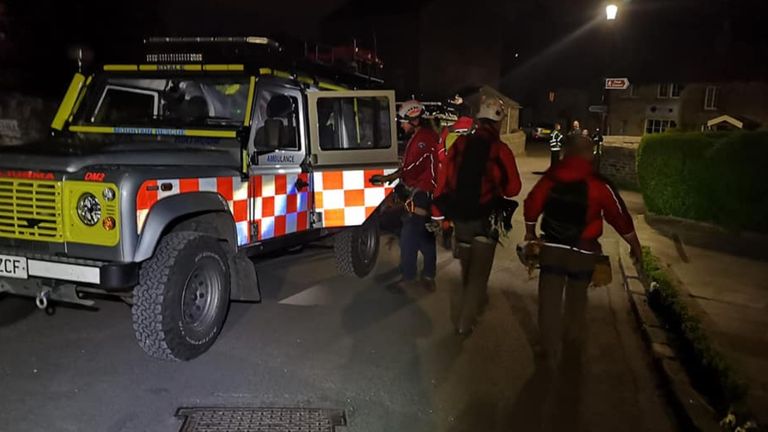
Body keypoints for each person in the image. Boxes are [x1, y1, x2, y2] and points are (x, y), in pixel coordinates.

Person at [523, 134, 642, 368]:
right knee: (577, 300)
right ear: (589, 154)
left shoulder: (551, 177)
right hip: (584, 252)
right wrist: (634, 245)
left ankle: (547, 347)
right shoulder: (598, 184)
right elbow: (619, 217)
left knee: (549, 299)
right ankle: (572, 347)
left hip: (553, 248)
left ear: (567, 152)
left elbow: (532, 203)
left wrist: (530, 231)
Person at [432, 96, 522, 335]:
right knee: (479, 275)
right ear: (498, 123)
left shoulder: (459, 144)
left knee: (467, 265)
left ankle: (471, 304)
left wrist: (438, 214)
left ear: (478, 120)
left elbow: (443, 179)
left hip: (460, 216)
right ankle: (466, 321)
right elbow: (514, 188)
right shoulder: (500, 149)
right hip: (485, 218)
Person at [372, 100, 440, 291]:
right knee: (424, 235)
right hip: (425, 191)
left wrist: (389, 177)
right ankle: (428, 275)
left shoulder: (423, 139)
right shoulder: (423, 136)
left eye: (404, 121)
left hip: (422, 193)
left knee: (409, 235)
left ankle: (409, 276)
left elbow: (411, 168)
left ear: (415, 119)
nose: (401, 125)